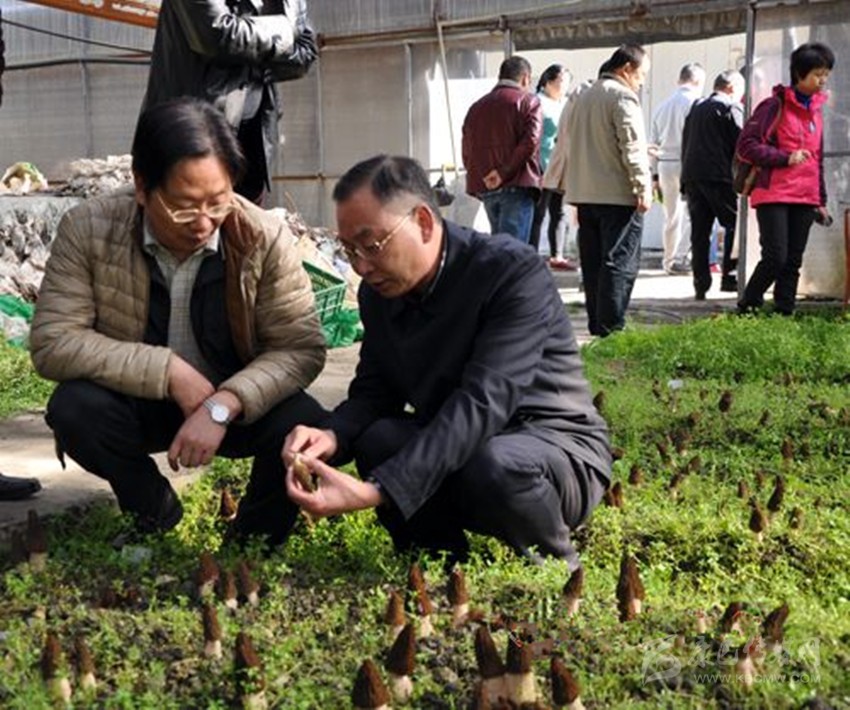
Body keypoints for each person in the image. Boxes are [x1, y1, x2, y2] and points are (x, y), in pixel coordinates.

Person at [283, 155, 611, 571]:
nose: (361, 266)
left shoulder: (510, 272)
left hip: (553, 449)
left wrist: (379, 490)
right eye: (350, 251)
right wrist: (331, 435)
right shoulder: (379, 295)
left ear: (423, 221)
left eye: (372, 245)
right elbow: (374, 392)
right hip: (462, 449)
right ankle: (438, 562)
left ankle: (556, 568)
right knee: (378, 440)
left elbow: (484, 401)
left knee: (492, 463)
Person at [30, 98, 327, 545]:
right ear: (142, 187)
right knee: (76, 409)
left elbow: (299, 347)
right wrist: (168, 371)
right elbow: (53, 341)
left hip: (232, 410)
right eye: (185, 207)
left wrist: (224, 402)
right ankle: (152, 511)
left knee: (303, 421)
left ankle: (256, 539)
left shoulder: (262, 235)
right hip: (139, 404)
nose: (203, 223)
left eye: (218, 202)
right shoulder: (89, 229)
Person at [141, 0, 318, 205]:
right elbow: (218, 36)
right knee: (187, 215)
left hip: (254, 137)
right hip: (190, 131)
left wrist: (252, 46)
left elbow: (306, 51)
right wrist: (284, 30)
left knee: (244, 216)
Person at [736, 42, 835, 315]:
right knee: (775, 257)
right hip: (774, 193)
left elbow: (818, 160)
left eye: (826, 74)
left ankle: (784, 313)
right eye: (817, 74)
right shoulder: (773, 106)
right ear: (799, 74)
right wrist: (785, 157)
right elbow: (746, 146)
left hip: (806, 196)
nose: (823, 80)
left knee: (792, 261)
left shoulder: (816, 112)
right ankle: (748, 306)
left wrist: (820, 200)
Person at [565, 46, 652, 337]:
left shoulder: (583, 96)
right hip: (617, 195)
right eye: (641, 75)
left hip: (585, 194)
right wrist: (643, 186)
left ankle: (597, 324)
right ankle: (612, 327)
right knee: (619, 262)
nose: (641, 82)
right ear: (626, 68)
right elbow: (631, 146)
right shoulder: (622, 97)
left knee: (593, 263)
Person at [462, 55, 542, 243]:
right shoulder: (529, 101)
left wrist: (485, 176)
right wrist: (503, 172)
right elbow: (531, 141)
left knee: (499, 247)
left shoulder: (476, 107)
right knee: (513, 250)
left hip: (487, 186)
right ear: (525, 78)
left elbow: (467, 149)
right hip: (517, 183)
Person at [681, 70, 746, 299]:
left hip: (693, 177)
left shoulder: (696, 107)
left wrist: (683, 180)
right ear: (732, 87)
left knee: (700, 232)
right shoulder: (730, 107)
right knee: (734, 225)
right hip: (720, 177)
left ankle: (701, 284)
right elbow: (742, 144)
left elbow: (686, 142)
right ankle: (730, 277)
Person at [650, 62, 706, 275]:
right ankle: (681, 257)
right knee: (696, 213)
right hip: (689, 163)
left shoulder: (662, 107)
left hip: (664, 163)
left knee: (671, 215)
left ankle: (668, 260)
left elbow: (653, 144)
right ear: (698, 81)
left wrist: (654, 174)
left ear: (679, 79)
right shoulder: (697, 104)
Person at [529, 64, 575, 270]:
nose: (565, 86)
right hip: (542, 164)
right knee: (538, 212)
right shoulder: (538, 102)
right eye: (561, 81)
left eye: (567, 82)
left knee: (560, 212)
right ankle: (531, 254)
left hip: (562, 165)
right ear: (548, 82)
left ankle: (558, 255)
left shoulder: (567, 103)